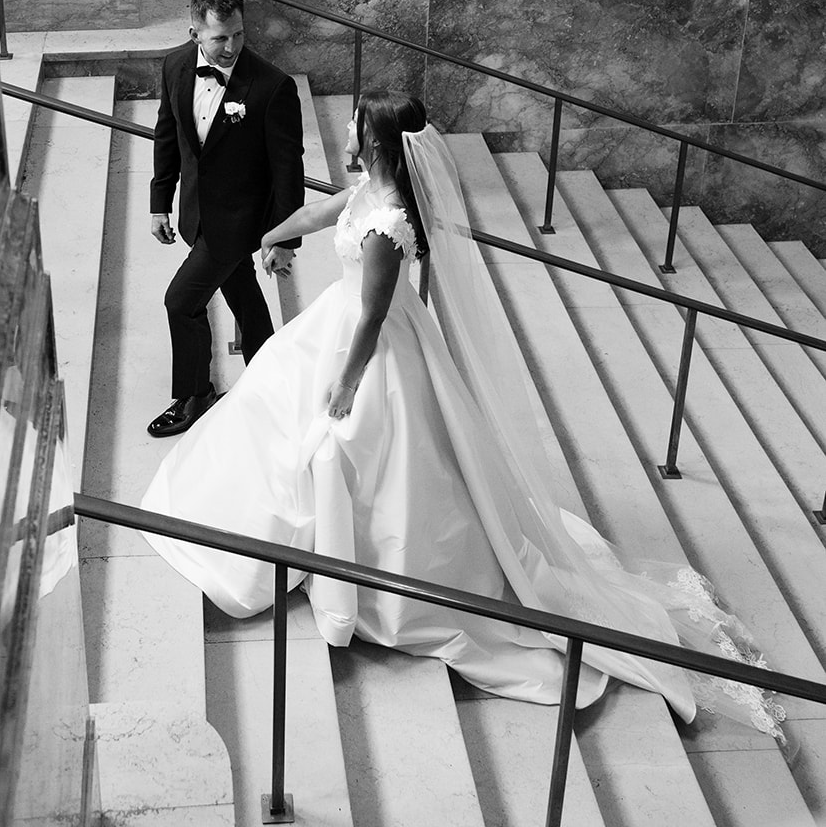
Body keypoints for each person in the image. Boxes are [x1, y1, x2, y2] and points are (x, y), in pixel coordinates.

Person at [141, 90, 784, 732]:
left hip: (372, 350)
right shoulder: (370, 190)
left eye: (355, 126)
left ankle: (368, 570)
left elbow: (370, 315)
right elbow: (325, 212)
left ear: (377, 142)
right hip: (331, 328)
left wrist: (345, 383)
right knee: (271, 407)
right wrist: (274, 232)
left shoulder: (389, 224)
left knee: (343, 448)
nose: (344, 130)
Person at [146, 0, 305, 438]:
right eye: (220, 38)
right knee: (246, 302)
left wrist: (284, 237)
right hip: (196, 213)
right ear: (194, 30)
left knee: (180, 301)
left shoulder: (273, 87)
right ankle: (275, 386)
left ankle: (196, 394)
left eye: (238, 34)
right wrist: (161, 202)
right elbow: (167, 135)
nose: (232, 46)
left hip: (239, 222)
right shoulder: (176, 65)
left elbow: (287, 170)